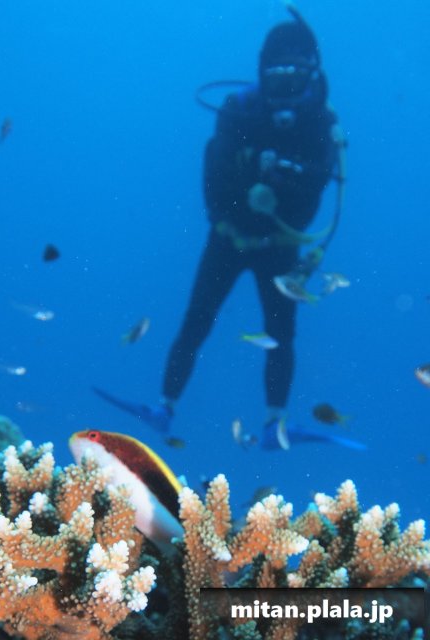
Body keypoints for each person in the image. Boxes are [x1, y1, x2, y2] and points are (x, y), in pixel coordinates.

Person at [94, 8, 342, 448]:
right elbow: (214, 171)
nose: (285, 84)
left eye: (294, 73)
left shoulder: (320, 122)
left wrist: (285, 181)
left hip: (281, 243)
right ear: (263, 69)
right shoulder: (240, 110)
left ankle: (274, 425)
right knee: (197, 321)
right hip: (228, 236)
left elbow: (321, 186)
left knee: (280, 335)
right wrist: (241, 198)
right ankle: (164, 407)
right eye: (278, 72)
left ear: (310, 72)